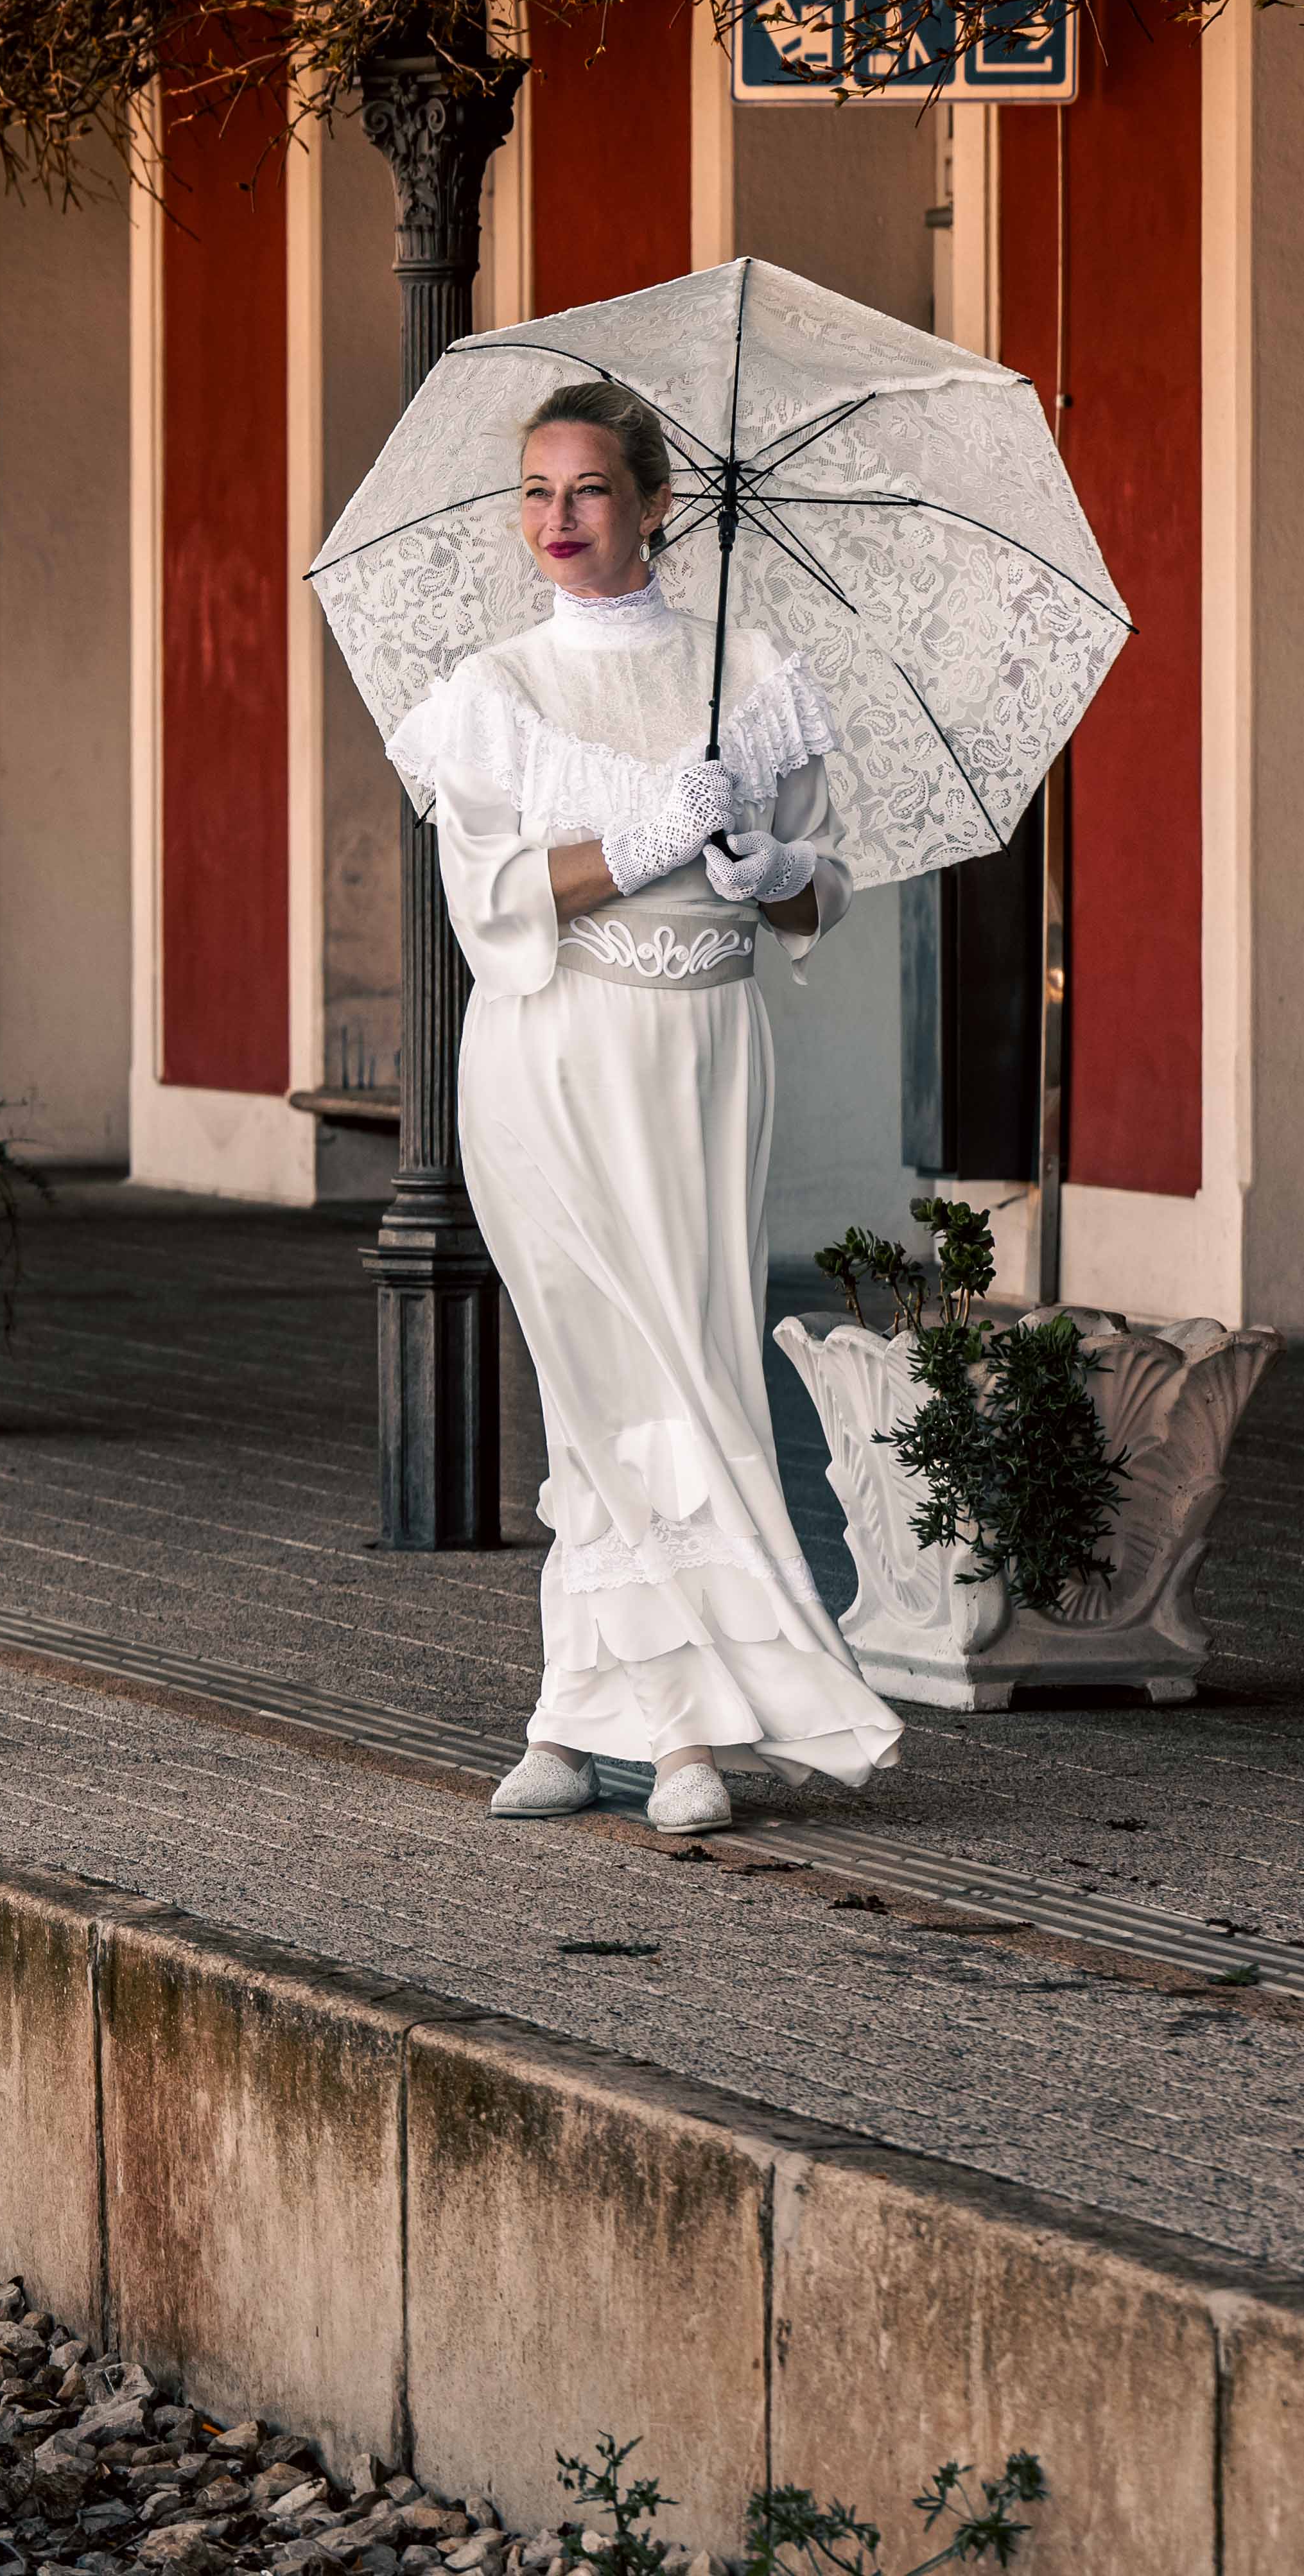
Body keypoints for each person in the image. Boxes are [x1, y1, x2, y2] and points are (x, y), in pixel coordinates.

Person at [383, 377, 901, 1834]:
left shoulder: (758, 681)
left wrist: (763, 869)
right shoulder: (496, 692)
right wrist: (644, 834)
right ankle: (658, 1730)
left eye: (590, 490)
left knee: (689, 1368)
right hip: (551, 1050)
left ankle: (603, 1719)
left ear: (660, 504)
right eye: (536, 492)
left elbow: (820, 891)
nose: (557, 519)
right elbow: (486, 896)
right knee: (597, 1376)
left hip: (704, 1054)